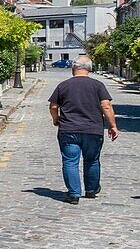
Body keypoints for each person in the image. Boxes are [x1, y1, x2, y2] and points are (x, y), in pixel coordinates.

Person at [48, 55, 120, 204]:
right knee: (92, 160)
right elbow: (106, 106)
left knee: (70, 161)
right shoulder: (98, 85)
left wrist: (56, 119)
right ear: (90, 69)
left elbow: (54, 106)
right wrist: (112, 125)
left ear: (73, 68)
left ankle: (74, 194)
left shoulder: (63, 85)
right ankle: (91, 190)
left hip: (68, 130)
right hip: (93, 129)